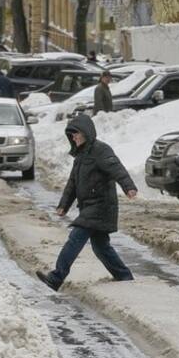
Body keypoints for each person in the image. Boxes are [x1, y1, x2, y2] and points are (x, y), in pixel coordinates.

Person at [36, 115, 137, 291]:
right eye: (71, 135)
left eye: (75, 134)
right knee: (101, 247)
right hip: (89, 207)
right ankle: (124, 276)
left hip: (101, 205)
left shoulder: (101, 150)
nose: (73, 138)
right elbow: (72, 183)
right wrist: (63, 205)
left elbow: (117, 169)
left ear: (85, 132)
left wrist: (129, 187)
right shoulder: (80, 156)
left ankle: (56, 277)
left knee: (75, 239)